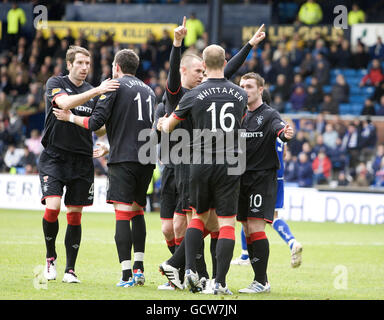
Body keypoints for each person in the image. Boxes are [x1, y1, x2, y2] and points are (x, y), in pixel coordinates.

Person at [157, 19, 266, 292]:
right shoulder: (239, 94)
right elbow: (224, 77)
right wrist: (250, 45)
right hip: (226, 162)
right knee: (220, 224)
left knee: (198, 219)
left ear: (204, 67)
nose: (199, 74)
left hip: (197, 162)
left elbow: (169, 125)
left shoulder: (194, 96)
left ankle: (188, 270)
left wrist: (162, 124)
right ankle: (213, 280)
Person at [53, 49, 156, 288]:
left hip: (124, 160)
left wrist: (69, 118)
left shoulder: (114, 86)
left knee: (122, 213)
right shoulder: (149, 90)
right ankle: (140, 269)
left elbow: (94, 123)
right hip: (147, 158)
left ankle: (126, 275)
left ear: (117, 67)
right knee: (139, 211)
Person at [38, 45, 119, 284]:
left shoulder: (91, 91)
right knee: (52, 207)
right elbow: (63, 104)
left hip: (82, 159)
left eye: (88, 64)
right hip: (54, 156)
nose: (85, 67)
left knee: (75, 215)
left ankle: (70, 270)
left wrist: (106, 142)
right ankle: (50, 258)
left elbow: (99, 125)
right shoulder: (55, 83)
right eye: (80, 63)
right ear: (69, 64)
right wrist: (97, 91)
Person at [235, 72, 294, 294]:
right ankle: (258, 280)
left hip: (262, 178)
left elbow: (281, 131)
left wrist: (286, 134)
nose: (244, 90)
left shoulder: (269, 115)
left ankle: (262, 281)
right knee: (247, 230)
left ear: (260, 89)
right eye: (242, 86)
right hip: (241, 179)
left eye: (249, 86)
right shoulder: (239, 114)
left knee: (256, 227)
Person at [232, 138, 302, 269]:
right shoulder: (280, 125)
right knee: (273, 216)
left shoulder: (263, 122)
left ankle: (246, 255)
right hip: (279, 175)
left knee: (249, 213)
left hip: (263, 175)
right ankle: (292, 241)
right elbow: (284, 153)